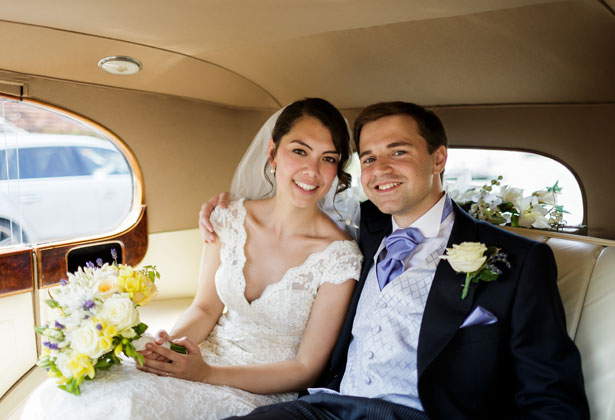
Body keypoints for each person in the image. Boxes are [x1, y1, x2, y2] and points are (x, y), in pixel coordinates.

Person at [201, 101, 589, 419]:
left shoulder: (516, 260)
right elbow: (295, 202)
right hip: (324, 408)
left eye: (398, 152)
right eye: (368, 158)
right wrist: (222, 208)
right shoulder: (363, 226)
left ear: (438, 159)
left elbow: (551, 393)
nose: (380, 170)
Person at [20, 98, 363, 420]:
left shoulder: (339, 256)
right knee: (75, 396)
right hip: (202, 356)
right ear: (272, 153)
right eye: (299, 151)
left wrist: (208, 375)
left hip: (262, 389)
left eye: (328, 158)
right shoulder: (227, 217)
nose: (312, 170)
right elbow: (205, 309)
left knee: (131, 411)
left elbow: (307, 368)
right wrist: (168, 350)